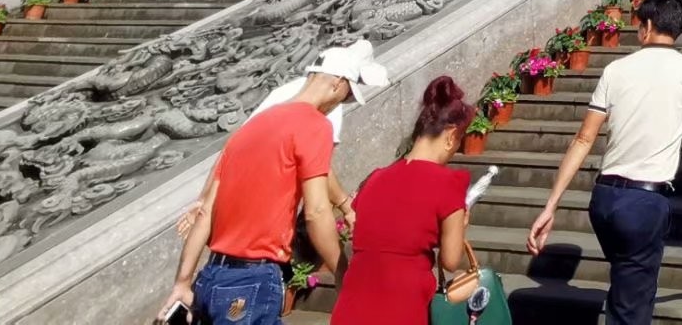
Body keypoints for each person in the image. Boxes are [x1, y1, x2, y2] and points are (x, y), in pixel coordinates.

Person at [525, 0, 682, 325]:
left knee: (628, 285)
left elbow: (583, 138)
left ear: (647, 26)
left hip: (604, 200)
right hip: (644, 204)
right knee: (631, 306)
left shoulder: (615, 70)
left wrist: (551, 205)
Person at [160, 44, 387, 325]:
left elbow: (206, 211)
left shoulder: (248, 130)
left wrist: (182, 283)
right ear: (338, 83)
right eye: (348, 95)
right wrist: (342, 271)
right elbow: (316, 212)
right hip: (252, 281)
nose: (342, 102)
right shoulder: (315, 125)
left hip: (211, 276)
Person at [175, 40, 382, 240]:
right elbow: (321, 171)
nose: (349, 97)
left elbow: (232, 146)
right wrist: (346, 206)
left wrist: (204, 199)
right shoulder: (326, 104)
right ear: (341, 82)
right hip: (264, 216)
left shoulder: (292, 90)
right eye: (354, 87)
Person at [330, 76, 476, 325]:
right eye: (459, 140)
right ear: (451, 135)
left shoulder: (376, 179)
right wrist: (460, 225)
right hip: (402, 307)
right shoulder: (449, 183)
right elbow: (451, 261)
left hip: (351, 308)